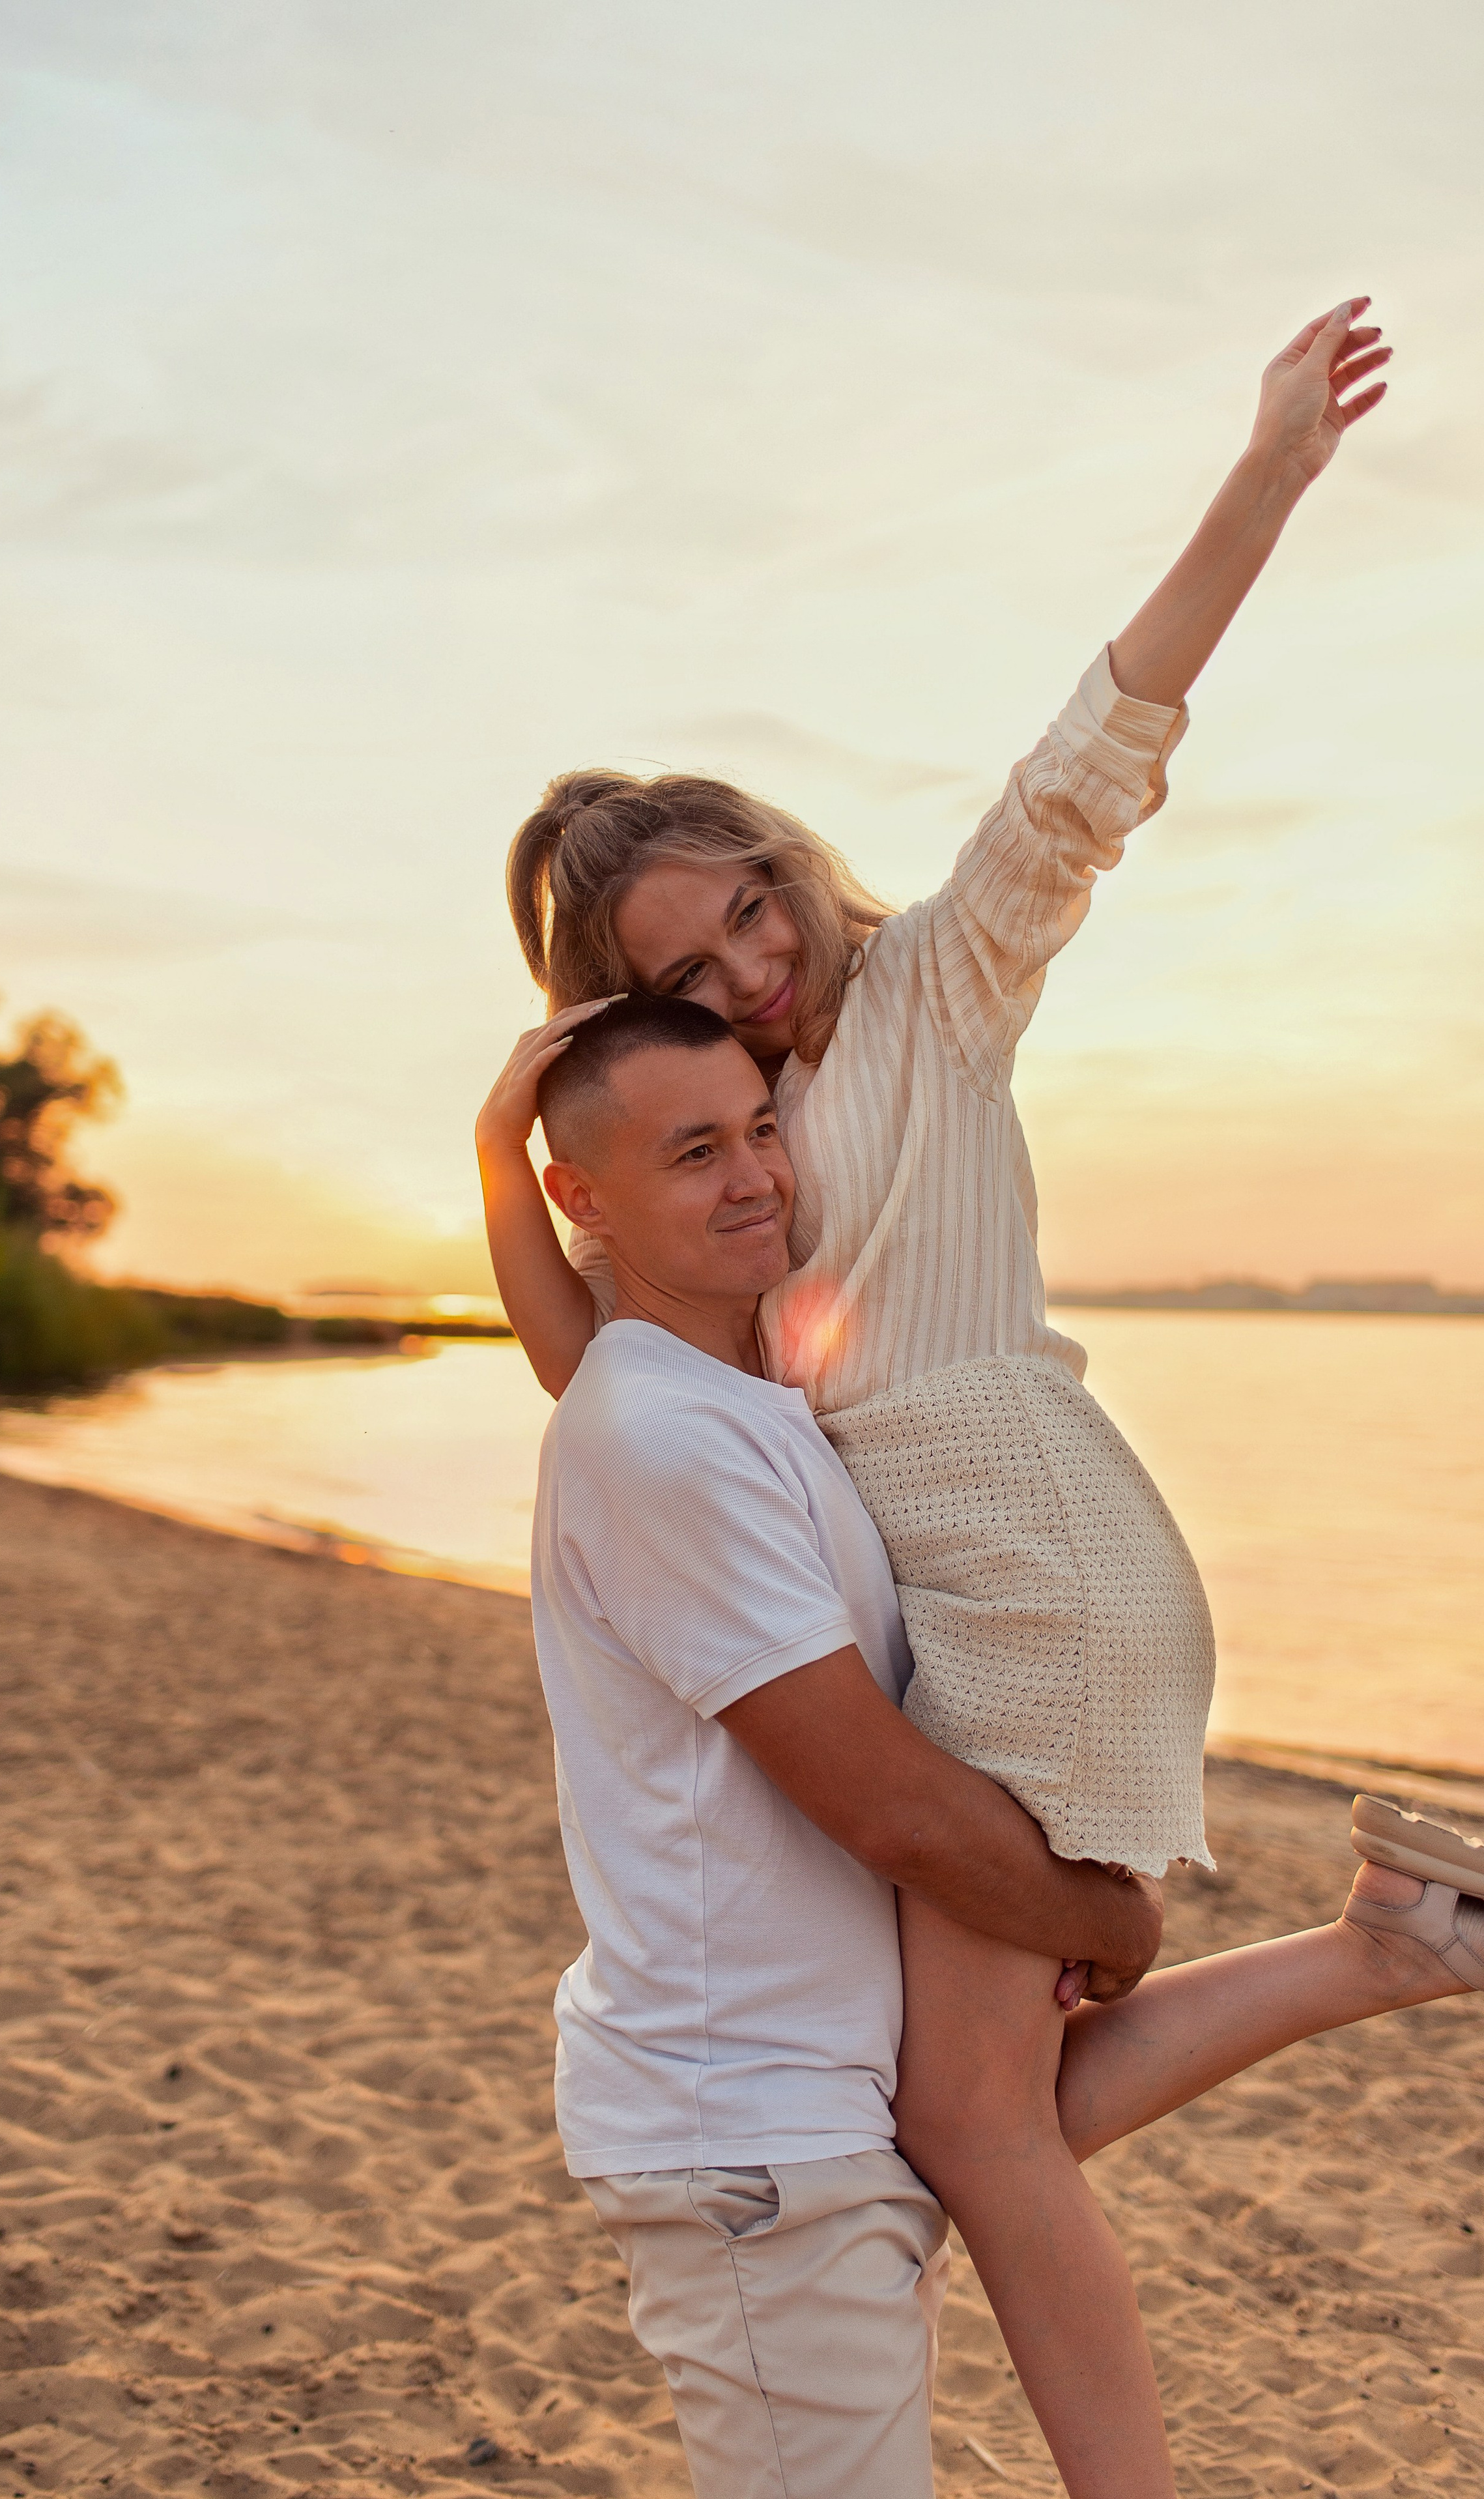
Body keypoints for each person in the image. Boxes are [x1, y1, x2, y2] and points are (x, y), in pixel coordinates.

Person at [479, 302, 1484, 2493]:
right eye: (690, 971)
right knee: (970, 2108)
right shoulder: (721, 1186)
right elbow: (611, 1379)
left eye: (754, 904)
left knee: (962, 2115)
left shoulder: (934, 990)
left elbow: (1098, 747)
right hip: (1009, 1574)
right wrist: (501, 1170)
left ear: (787, 856)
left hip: (1032, 1561)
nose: (755, 967)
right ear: (631, 1016)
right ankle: (1388, 1944)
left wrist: (1272, 471)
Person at [526, 993, 1481, 2499]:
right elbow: (891, 1812)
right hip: (753, 2139)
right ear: (579, 1194)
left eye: (761, 1129)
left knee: (988, 2110)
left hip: (817, 2102)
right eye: (692, 1150)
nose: (754, 1175)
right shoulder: (662, 1435)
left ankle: (1386, 1948)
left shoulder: (741, 1397)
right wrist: (1105, 1918)